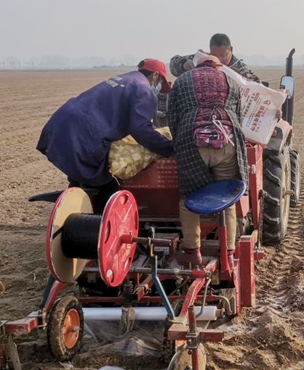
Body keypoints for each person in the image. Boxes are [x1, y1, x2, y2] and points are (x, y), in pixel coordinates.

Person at [37, 59, 175, 212]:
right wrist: (169, 149)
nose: (159, 88)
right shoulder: (143, 89)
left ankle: (74, 210)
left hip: (61, 123)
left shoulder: (126, 79)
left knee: (82, 178)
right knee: (106, 185)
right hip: (83, 133)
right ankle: (97, 223)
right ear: (156, 75)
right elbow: (141, 130)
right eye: (161, 82)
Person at [167, 54, 248, 266]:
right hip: (227, 141)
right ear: (218, 66)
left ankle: (192, 251)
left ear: (196, 66)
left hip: (192, 142)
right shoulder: (230, 81)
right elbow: (237, 114)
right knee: (228, 198)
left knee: (189, 198)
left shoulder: (182, 81)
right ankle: (229, 252)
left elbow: (172, 116)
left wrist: (179, 143)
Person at [170, 33, 260, 82]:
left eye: (223, 55)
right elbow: (173, 64)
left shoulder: (242, 70)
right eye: (215, 55)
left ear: (231, 50)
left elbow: (259, 90)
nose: (219, 60)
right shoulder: (204, 60)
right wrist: (183, 64)